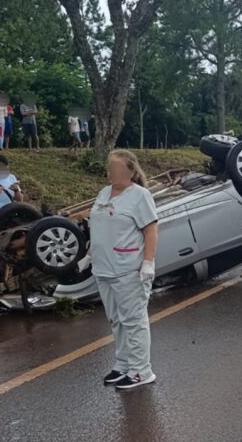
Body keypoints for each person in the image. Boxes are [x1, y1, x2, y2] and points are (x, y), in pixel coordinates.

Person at [91, 149, 159, 390]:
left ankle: (142, 370)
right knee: (116, 320)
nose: (113, 173)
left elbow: (150, 229)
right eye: (110, 168)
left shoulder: (140, 196)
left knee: (134, 320)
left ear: (131, 171)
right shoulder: (103, 193)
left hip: (128, 269)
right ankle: (123, 365)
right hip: (103, 268)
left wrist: (148, 263)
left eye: (119, 169)